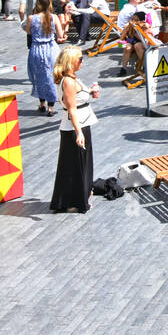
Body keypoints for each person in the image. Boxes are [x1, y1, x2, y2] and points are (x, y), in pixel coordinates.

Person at [50, 45, 99, 214]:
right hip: (76, 126)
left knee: (78, 164)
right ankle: (75, 201)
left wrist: (91, 91)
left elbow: (77, 98)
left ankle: (79, 196)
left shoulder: (71, 78)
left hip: (80, 124)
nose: (82, 61)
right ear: (71, 61)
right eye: (80, 59)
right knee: (75, 166)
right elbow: (72, 108)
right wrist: (78, 132)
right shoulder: (69, 82)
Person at [24, 0, 63, 115]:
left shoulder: (31, 18)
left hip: (36, 49)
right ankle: (51, 107)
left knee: (39, 76)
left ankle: (42, 104)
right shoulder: (54, 17)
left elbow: (28, 31)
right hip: (51, 49)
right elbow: (60, 35)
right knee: (51, 77)